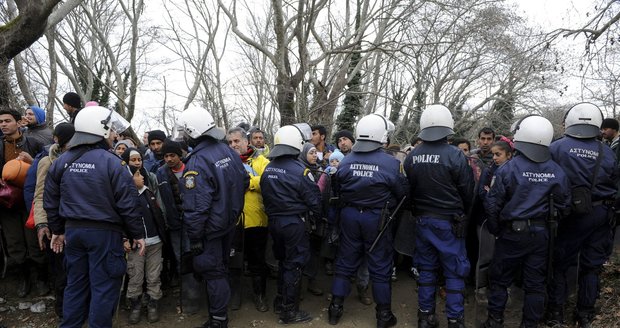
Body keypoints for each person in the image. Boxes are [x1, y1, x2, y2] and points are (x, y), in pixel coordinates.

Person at [43, 106, 146, 328]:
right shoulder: (112, 163)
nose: (112, 135)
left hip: (74, 234)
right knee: (104, 288)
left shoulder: (61, 161)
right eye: (109, 131)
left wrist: (58, 230)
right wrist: (136, 234)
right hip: (104, 235)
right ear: (99, 130)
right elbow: (127, 203)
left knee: (75, 285)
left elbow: (50, 200)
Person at [481, 115, 570, 328]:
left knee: (500, 279)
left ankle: (495, 322)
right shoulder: (556, 171)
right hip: (541, 235)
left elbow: (492, 204)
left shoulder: (508, 168)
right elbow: (565, 206)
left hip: (512, 234)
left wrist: (496, 230)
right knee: (535, 284)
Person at [328, 114, 408, 328]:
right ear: (381, 135)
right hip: (377, 218)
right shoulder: (391, 164)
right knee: (380, 266)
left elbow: (337, 190)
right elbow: (402, 192)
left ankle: (335, 309)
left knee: (345, 262)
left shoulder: (346, 161)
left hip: (350, 216)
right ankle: (383, 316)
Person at [546, 103, 619, 328]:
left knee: (560, 263)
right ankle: (585, 314)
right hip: (600, 213)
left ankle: (555, 314)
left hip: (568, 215)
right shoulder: (606, 151)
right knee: (592, 265)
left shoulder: (556, 148)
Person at [175, 106, 248, 328]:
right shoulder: (226, 151)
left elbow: (196, 207)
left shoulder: (197, 161)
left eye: (185, 132)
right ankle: (219, 314)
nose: (184, 137)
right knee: (221, 269)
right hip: (228, 224)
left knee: (213, 272)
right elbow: (243, 182)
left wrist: (195, 238)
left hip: (211, 230)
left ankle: (218, 320)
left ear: (192, 132)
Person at [404, 104, 474, 328]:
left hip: (423, 221)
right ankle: (455, 319)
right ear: (448, 128)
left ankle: (425, 317)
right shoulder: (455, 155)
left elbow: (410, 190)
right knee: (455, 271)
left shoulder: (412, 156)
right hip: (449, 224)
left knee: (426, 270)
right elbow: (468, 191)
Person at [260, 123, 321, 324]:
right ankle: (289, 311)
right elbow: (314, 201)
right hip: (294, 223)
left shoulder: (268, 169)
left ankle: (280, 301)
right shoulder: (301, 171)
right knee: (294, 265)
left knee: (283, 262)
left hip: (274, 223)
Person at [0, 108, 46, 297]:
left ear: (19, 123)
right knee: (15, 244)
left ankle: (42, 278)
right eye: (1, 121)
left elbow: (46, 166)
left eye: (7, 121)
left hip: (30, 203)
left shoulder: (34, 143)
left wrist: (32, 160)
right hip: (6, 204)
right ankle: (23, 278)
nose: (3, 124)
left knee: (35, 243)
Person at [226, 126, 271, 312]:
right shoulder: (224, 162)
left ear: (246, 141)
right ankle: (235, 297)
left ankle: (260, 296)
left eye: (236, 141)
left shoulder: (261, 161)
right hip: (233, 222)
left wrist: (248, 182)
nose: (233, 145)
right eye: (229, 142)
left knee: (257, 262)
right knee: (234, 262)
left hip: (257, 221)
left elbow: (267, 181)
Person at [33, 122, 75, 317]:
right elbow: (40, 195)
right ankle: (63, 312)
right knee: (61, 273)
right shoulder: (47, 162)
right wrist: (42, 224)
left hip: (76, 224)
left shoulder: (79, 159)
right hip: (55, 225)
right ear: (57, 140)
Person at [121, 148, 167, 324]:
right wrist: (124, 238)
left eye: (140, 159)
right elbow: (122, 218)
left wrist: (163, 233)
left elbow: (159, 214)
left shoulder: (149, 191)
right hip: (135, 244)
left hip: (155, 242)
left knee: (154, 275)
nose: (138, 164)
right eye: (133, 160)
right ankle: (135, 305)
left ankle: (153, 303)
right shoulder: (124, 196)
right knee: (135, 275)